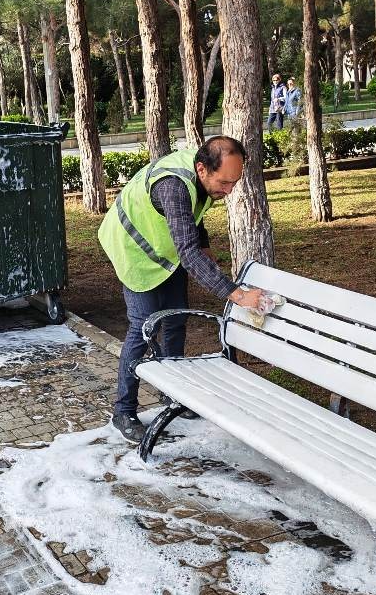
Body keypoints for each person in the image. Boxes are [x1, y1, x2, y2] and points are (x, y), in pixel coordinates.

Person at [98, 136, 266, 443]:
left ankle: (172, 393)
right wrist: (239, 295)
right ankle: (123, 411)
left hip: (166, 250)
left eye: (234, 183)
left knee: (176, 319)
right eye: (224, 183)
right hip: (134, 248)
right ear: (202, 169)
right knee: (144, 326)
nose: (229, 191)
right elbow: (188, 255)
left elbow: (192, 216)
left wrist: (205, 245)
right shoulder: (173, 186)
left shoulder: (201, 173)